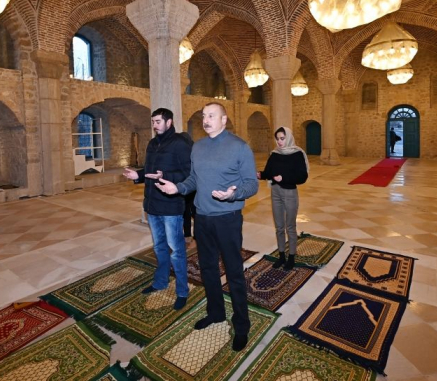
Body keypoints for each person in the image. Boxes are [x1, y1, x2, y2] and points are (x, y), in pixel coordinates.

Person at [156, 102, 258, 351]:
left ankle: (242, 325)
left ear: (224, 120)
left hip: (228, 219)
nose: (206, 119)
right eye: (204, 115)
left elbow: (251, 184)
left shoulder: (239, 147)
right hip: (202, 218)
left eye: (212, 115)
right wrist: (177, 188)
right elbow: (193, 179)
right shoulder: (198, 147)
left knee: (234, 273)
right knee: (208, 269)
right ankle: (216, 313)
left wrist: (232, 195)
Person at [122, 108, 191, 310]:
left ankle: (182, 291)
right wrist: (138, 176)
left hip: (171, 206)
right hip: (152, 205)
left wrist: (166, 174)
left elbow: (189, 173)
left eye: (158, 121)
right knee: (159, 247)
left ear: (169, 122)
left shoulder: (179, 143)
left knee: (177, 251)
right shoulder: (152, 143)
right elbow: (151, 172)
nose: (154, 125)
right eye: (153, 121)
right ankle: (160, 282)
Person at [257, 127, 308, 270]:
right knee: (279, 227)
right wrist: (259, 174)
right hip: (276, 192)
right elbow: (268, 172)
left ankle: (291, 257)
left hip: (290, 192)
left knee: (290, 227)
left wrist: (284, 178)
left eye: (282, 138)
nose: (279, 142)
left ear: (288, 138)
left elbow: (302, 177)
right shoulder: (274, 154)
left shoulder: (297, 154)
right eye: (277, 138)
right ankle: (281, 256)